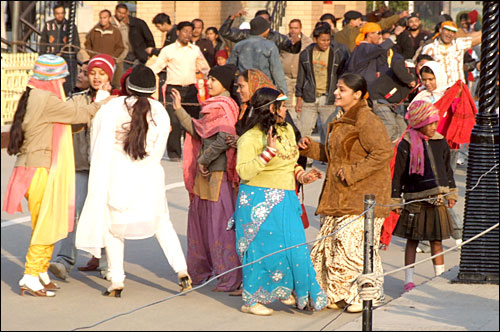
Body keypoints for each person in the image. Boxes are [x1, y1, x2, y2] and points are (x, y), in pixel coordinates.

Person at [75, 65, 192, 297]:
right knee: (162, 224)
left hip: (118, 177)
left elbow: (99, 144)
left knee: (114, 230)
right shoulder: (159, 110)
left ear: (127, 86)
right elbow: (158, 149)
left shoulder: (113, 108)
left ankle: (117, 281)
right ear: (152, 89)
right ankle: (182, 271)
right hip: (149, 176)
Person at [2, 54, 113, 297]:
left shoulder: (35, 95)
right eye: (61, 78)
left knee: (46, 220)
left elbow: (69, 117)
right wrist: (101, 102)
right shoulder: (45, 98)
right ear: (51, 78)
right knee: (47, 223)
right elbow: (76, 115)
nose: (63, 83)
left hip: (35, 167)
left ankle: (41, 270)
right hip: (40, 169)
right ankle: (30, 275)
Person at [298, 73, 392, 313]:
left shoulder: (366, 119)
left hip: (363, 197)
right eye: (337, 88)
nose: (337, 93)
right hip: (340, 196)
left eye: (342, 89)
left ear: (358, 94)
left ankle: (361, 296)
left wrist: (352, 172)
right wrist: (312, 148)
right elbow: (335, 156)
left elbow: (383, 152)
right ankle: (338, 295)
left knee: (353, 248)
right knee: (331, 248)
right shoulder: (341, 118)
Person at [234, 87, 327, 316]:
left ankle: (290, 290)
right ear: (270, 108)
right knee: (260, 251)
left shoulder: (286, 131)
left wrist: (303, 176)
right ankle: (251, 300)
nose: (286, 109)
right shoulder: (250, 137)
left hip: (285, 198)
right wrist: (267, 153)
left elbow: (289, 163)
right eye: (282, 105)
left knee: (295, 250)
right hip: (259, 201)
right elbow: (243, 171)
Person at [170, 64, 242, 292]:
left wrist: (203, 160)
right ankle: (206, 271)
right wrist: (179, 109)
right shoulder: (210, 107)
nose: (208, 83)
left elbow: (223, 138)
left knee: (220, 226)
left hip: (217, 174)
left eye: (213, 79)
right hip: (206, 173)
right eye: (208, 79)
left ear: (224, 83)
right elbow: (196, 129)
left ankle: (229, 277)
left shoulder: (224, 106)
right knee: (203, 224)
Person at [48, 54, 118, 281]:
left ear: (110, 75)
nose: (96, 77)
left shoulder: (118, 101)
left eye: (102, 73)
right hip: (80, 166)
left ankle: (109, 263)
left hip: (107, 168)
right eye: (92, 73)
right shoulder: (78, 99)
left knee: (108, 214)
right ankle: (64, 260)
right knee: (73, 212)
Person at [391, 100, 458, 292]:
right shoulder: (407, 143)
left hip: (437, 198)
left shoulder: (440, 141)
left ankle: (439, 277)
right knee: (412, 239)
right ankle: (408, 280)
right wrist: (395, 199)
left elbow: (448, 169)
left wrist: (451, 192)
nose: (434, 127)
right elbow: (398, 174)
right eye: (430, 123)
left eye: (435, 123)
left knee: (436, 240)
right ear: (419, 123)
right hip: (414, 199)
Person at [148, 21, 210, 161]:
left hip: (190, 90)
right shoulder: (168, 50)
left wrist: (214, 78)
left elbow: (205, 68)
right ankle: (174, 153)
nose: (187, 34)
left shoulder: (195, 50)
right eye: (185, 31)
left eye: (190, 31)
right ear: (178, 32)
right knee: (174, 122)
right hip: (173, 89)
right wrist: (145, 73)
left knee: (193, 121)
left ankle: (194, 151)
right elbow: (158, 66)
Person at [295, 22, 349, 148]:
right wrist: (299, 99)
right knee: (305, 131)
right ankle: (305, 160)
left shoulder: (337, 54)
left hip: (328, 98)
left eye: (328, 40)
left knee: (327, 131)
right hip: (309, 97)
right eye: (322, 40)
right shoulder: (306, 54)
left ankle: (326, 158)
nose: (326, 43)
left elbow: (341, 76)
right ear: (315, 39)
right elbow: (301, 77)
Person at [227, 16, 287, 94]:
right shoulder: (270, 46)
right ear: (266, 30)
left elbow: (230, 67)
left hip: (244, 88)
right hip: (264, 89)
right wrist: (283, 93)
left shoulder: (239, 45)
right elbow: (277, 72)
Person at [369, 57, 418, 143]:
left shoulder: (422, 82)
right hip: (380, 98)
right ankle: (380, 150)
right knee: (390, 125)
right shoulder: (407, 67)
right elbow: (397, 65)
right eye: (421, 65)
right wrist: (409, 80)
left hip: (396, 105)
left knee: (403, 129)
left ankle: (398, 153)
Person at [421, 21, 481, 86]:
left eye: (453, 32)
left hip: (457, 88)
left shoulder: (458, 44)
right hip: (440, 89)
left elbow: (476, 40)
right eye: (447, 30)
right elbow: (421, 68)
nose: (450, 34)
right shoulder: (430, 48)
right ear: (440, 30)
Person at [346, 22, 405, 88]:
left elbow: (382, 62)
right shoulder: (365, 47)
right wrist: (394, 35)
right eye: (378, 33)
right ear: (370, 34)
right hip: (363, 84)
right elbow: (381, 48)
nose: (380, 36)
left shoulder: (368, 48)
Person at [39, 4, 80, 94]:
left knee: (65, 84)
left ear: (65, 13)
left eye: (62, 13)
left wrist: (68, 53)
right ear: (54, 14)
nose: (60, 15)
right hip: (51, 59)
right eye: (57, 13)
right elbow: (43, 43)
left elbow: (76, 44)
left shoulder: (71, 26)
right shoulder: (48, 25)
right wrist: (43, 56)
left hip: (66, 61)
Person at [219, 9, 302, 54]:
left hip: (268, 75)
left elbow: (293, 50)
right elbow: (224, 32)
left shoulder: (277, 37)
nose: (262, 23)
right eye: (259, 20)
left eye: (265, 20)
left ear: (269, 22)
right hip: (249, 72)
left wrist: (297, 42)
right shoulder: (246, 35)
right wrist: (233, 17)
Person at [280, 19, 313, 124]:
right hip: (286, 77)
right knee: (286, 103)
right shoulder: (282, 40)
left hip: (301, 77)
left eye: (296, 28)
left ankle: (301, 126)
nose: (293, 31)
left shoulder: (308, 42)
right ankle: (287, 125)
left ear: (300, 28)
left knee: (301, 105)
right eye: (291, 28)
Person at [335, 10, 408, 52]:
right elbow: (381, 24)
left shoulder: (337, 34)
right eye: (359, 20)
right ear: (351, 21)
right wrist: (399, 16)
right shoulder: (357, 31)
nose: (360, 22)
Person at [149, 13, 177, 105]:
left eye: (158, 26)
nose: (158, 29)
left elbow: (167, 53)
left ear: (165, 24)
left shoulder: (174, 34)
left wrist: (153, 51)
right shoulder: (170, 34)